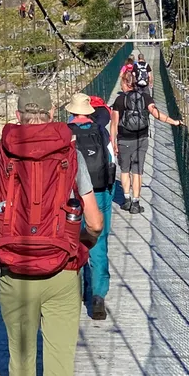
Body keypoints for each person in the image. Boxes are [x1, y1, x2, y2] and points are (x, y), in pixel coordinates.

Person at [0, 87, 104, 376]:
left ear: (17, 116)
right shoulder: (72, 153)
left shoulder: (1, 157)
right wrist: (84, 244)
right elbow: (94, 222)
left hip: (15, 273)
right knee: (60, 367)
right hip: (63, 272)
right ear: (53, 114)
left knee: (20, 365)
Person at [66, 92, 115, 320]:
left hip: (72, 195)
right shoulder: (100, 130)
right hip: (99, 192)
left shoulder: (64, 132)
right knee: (99, 240)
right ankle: (97, 296)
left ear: (71, 111)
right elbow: (111, 161)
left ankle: (75, 293)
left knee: (72, 241)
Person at [112, 56, 181, 214]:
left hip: (124, 139)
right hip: (141, 139)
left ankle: (127, 200)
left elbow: (114, 124)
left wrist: (113, 142)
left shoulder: (119, 100)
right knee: (137, 171)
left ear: (125, 83)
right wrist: (174, 122)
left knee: (124, 170)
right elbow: (156, 114)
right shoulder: (145, 96)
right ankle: (136, 203)